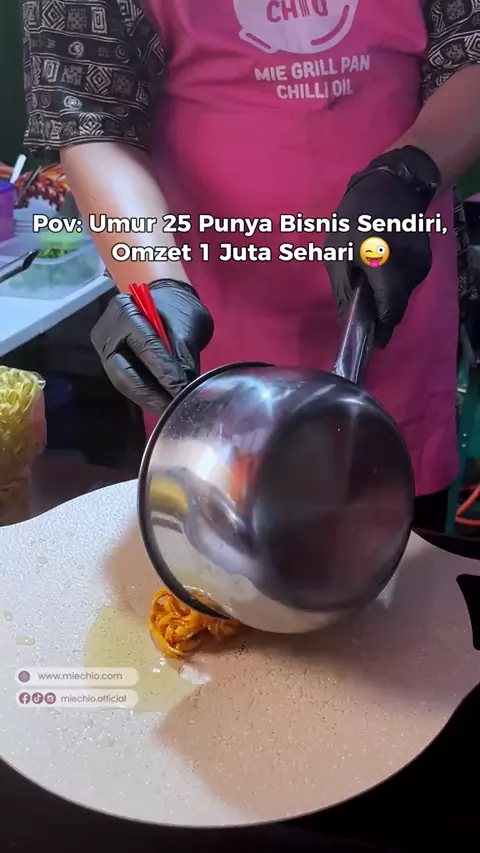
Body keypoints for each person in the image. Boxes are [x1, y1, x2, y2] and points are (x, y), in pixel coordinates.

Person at [22, 1, 480, 532]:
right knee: (221, 543)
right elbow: (92, 119)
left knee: (402, 547)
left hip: (392, 291)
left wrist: (406, 175)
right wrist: (153, 284)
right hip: (212, 317)